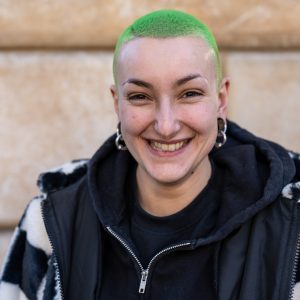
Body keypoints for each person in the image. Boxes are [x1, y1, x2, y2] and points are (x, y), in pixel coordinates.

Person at [0, 9, 300, 300]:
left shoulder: (293, 221)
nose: (166, 126)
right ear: (117, 103)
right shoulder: (51, 219)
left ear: (220, 100)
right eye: (140, 97)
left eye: (190, 93)